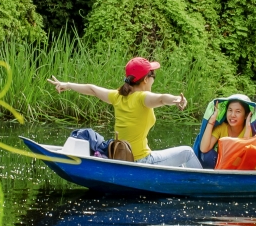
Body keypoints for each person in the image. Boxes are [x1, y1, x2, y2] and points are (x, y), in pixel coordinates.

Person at [47, 57, 202, 168]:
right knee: (187, 152)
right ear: (146, 80)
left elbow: (92, 89)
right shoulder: (143, 97)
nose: (154, 79)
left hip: (121, 157)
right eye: (153, 75)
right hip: (141, 160)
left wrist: (66, 84)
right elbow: (161, 99)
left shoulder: (118, 96)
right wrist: (177, 99)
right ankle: (203, 183)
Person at [196, 94, 256, 169]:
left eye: (238, 111)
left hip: (239, 169)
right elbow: (204, 149)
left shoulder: (250, 131)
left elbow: (245, 158)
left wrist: (248, 128)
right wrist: (211, 122)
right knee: (206, 155)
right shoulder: (221, 127)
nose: (232, 115)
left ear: (246, 115)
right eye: (230, 110)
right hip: (221, 167)